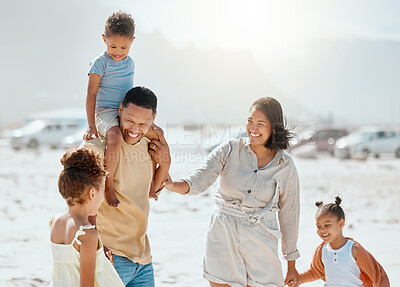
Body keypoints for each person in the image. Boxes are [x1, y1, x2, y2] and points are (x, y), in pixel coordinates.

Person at [164, 97, 301, 287]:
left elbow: (290, 216)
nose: (253, 128)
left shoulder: (285, 165)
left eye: (260, 123)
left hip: (261, 239)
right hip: (223, 235)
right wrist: (171, 184)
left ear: (274, 127)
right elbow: (198, 180)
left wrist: (291, 265)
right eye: (250, 121)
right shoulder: (229, 149)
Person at [83, 86, 171, 287]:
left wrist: (165, 163)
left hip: (143, 261)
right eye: (130, 120)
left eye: (143, 124)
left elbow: (153, 191)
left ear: (154, 118)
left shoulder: (148, 147)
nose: (134, 129)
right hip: (110, 256)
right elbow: (78, 204)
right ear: (120, 109)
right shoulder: (97, 147)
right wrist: (95, 245)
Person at [83, 11, 158, 208]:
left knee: (158, 134)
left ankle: (155, 182)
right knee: (115, 136)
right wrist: (91, 125)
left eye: (124, 47)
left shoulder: (130, 63)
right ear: (103, 39)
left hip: (124, 112)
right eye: (112, 46)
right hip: (106, 112)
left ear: (132, 42)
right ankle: (108, 185)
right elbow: (91, 94)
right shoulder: (100, 63)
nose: (118, 51)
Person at [49, 147, 124, 287]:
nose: (103, 196)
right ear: (92, 194)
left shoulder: (56, 221)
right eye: (102, 190)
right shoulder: (86, 233)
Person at [291, 196, 390, 287]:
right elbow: (316, 272)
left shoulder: (353, 249)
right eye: (319, 226)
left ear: (341, 223)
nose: (322, 230)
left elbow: (378, 275)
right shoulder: (322, 250)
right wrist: (298, 280)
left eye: (327, 225)